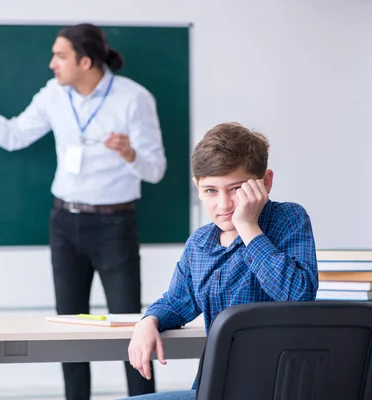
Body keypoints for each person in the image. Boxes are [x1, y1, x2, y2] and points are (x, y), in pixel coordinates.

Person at [0, 23, 166, 400]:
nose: (51, 63)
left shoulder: (134, 98)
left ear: (85, 61)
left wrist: (130, 153)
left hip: (115, 224)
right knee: (68, 329)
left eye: (60, 56)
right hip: (65, 222)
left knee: (131, 327)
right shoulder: (54, 95)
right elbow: (13, 135)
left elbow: (157, 170)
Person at [122, 122, 318, 400]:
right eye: (211, 191)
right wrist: (149, 321)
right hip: (216, 383)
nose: (224, 205)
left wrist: (248, 226)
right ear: (197, 188)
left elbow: (299, 296)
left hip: (275, 384)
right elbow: (178, 301)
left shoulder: (288, 219)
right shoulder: (201, 243)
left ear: (266, 182)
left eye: (236, 189)